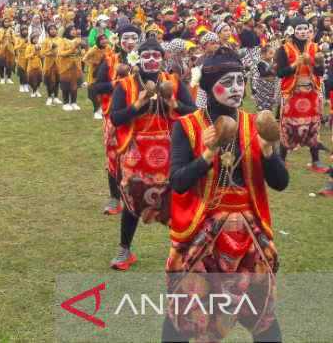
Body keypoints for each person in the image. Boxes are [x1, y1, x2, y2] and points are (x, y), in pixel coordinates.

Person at [163, 47, 287, 342]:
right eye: (227, 82)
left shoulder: (254, 123)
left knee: (263, 317)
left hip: (248, 232)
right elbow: (178, 182)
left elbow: (280, 183)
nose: (236, 89)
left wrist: (269, 150)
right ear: (208, 86)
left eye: (240, 81)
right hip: (202, 232)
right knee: (181, 315)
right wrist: (207, 153)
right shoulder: (188, 126)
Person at [109, 37, 195, 270]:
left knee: (175, 200)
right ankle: (124, 249)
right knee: (132, 200)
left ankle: (182, 251)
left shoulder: (174, 83)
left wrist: (175, 106)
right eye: (146, 56)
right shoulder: (126, 85)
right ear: (138, 59)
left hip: (170, 151)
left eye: (156, 56)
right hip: (137, 152)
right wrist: (137, 106)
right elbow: (115, 118)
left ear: (163, 58)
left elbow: (194, 112)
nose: (151, 60)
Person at [92, 24, 141, 216]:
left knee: (140, 155)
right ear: (118, 39)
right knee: (113, 156)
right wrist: (116, 84)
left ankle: (140, 195)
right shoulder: (110, 60)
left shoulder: (147, 59)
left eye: (134, 38)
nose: (130, 42)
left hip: (139, 116)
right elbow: (97, 87)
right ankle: (115, 197)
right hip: (114, 117)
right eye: (126, 38)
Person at [275, 17, 325, 170]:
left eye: (305, 29)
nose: (303, 32)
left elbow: (321, 72)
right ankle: (281, 160)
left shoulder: (315, 48)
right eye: (299, 29)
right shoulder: (283, 49)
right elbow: (280, 73)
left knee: (313, 125)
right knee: (287, 126)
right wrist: (294, 65)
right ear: (293, 31)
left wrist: (311, 62)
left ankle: (315, 161)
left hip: (311, 93)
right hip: (292, 93)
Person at [57, 25, 84, 111]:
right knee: (66, 85)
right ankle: (65, 103)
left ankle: (74, 102)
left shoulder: (77, 40)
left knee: (74, 85)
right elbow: (61, 53)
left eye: (74, 29)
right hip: (66, 67)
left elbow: (81, 52)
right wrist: (72, 50)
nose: (73, 31)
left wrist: (81, 50)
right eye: (71, 30)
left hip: (76, 66)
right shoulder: (63, 41)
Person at [41, 24, 62, 106]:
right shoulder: (45, 41)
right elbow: (42, 53)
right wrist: (51, 49)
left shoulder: (60, 40)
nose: (53, 31)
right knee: (49, 81)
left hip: (58, 63)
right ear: (48, 31)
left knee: (57, 80)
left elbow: (61, 50)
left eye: (54, 29)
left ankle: (56, 97)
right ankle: (49, 97)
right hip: (49, 64)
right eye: (51, 29)